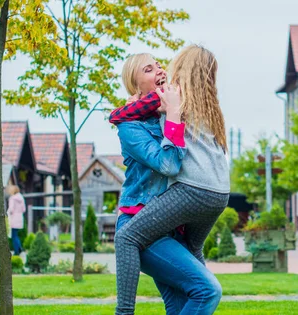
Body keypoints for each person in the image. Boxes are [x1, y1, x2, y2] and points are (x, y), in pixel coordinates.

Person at [111, 45, 230, 315]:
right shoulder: (132, 127)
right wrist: (122, 114)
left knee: (178, 306)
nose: (160, 70)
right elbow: (169, 164)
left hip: (167, 226)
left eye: (159, 65)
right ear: (135, 84)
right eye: (148, 69)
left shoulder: (163, 111)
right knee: (207, 290)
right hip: (141, 222)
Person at [6, 185, 26, 255]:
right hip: (20, 218)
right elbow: (24, 209)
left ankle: (17, 251)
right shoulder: (21, 198)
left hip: (13, 218)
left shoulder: (12, 198)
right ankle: (19, 248)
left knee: (14, 236)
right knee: (16, 235)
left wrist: (7, 213)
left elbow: (11, 209)